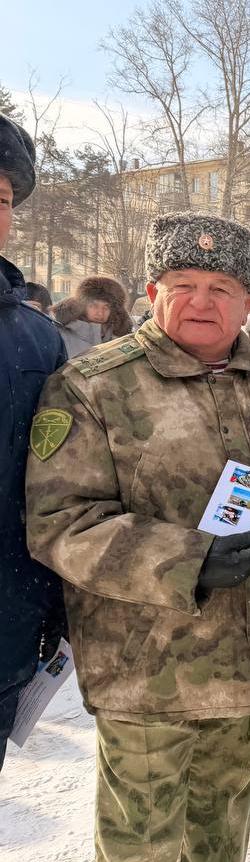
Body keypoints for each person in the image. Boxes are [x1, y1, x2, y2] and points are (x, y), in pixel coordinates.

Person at [25, 211, 250, 862]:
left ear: (249, 301)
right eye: (182, 284)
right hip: (147, 668)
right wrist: (187, 559)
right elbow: (61, 521)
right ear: (152, 292)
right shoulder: (93, 386)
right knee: (139, 847)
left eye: (221, 288)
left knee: (221, 833)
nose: (200, 302)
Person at [0, 113, 67, 770]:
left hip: (7, 628)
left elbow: (57, 484)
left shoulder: (38, 339)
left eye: (0, 199)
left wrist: (55, 600)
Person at [52, 275, 133, 358]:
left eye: (106, 307)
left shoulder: (123, 338)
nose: (100, 313)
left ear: (113, 310)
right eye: (93, 306)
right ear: (82, 306)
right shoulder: (60, 336)